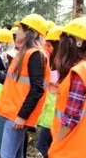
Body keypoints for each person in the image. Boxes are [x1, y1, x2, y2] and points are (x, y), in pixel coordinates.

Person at [0, 14, 51, 158]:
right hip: (15, 112)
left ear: (30, 33)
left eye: (21, 28)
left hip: (17, 115)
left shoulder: (35, 55)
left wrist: (22, 116)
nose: (17, 31)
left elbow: (37, 89)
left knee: (7, 155)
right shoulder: (24, 54)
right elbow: (12, 81)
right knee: (17, 154)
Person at [48, 17, 86, 158]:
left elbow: (70, 119)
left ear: (75, 43)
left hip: (71, 147)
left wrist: (56, 144)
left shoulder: (80, 72)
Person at [35, 26, 62, 158]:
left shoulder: (65, 67)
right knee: (49, 145)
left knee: (42, 145)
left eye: (49, 46)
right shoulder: (49, 63)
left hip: (55, 116)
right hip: (48, 114)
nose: (46, 49)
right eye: (45, 45)